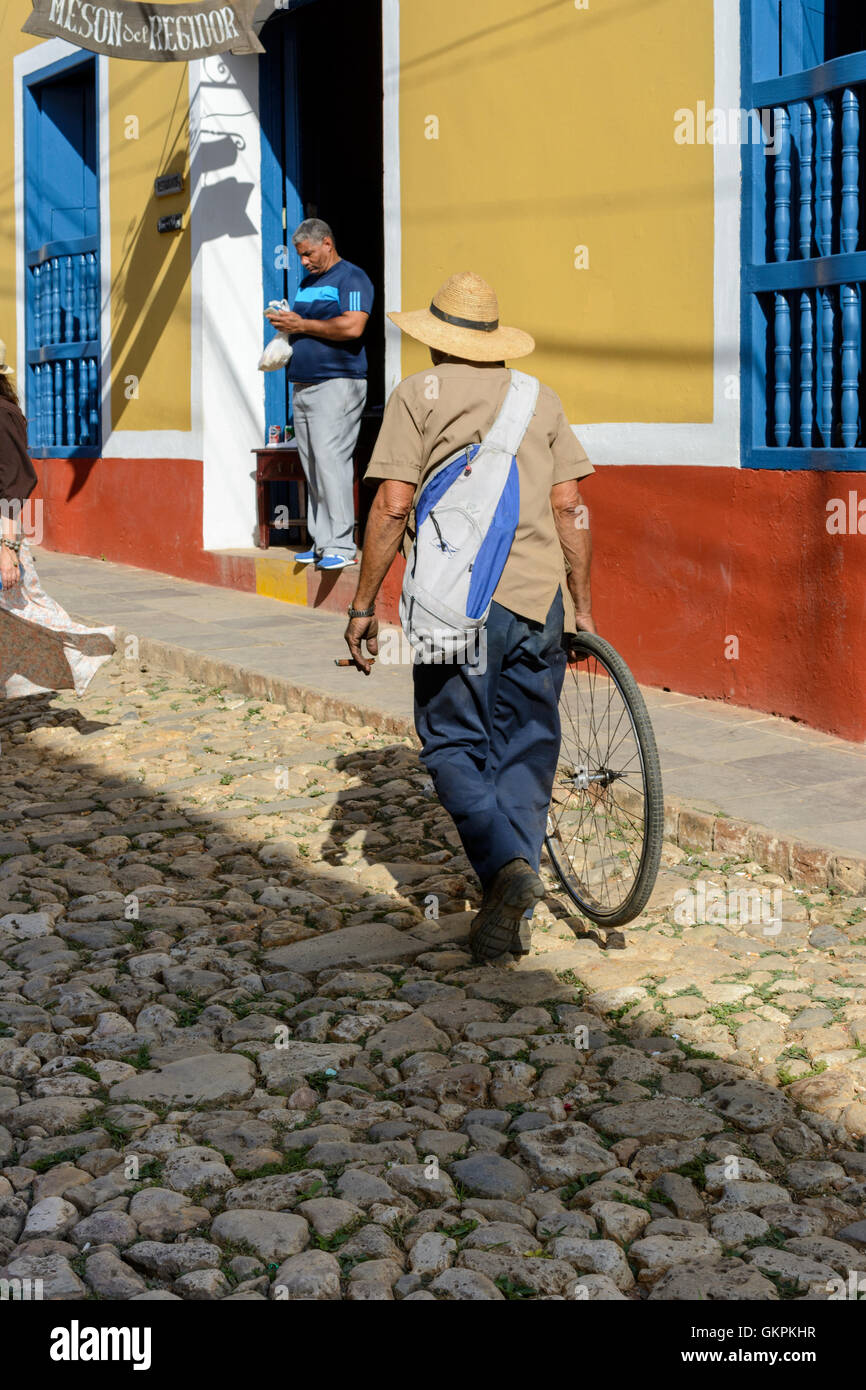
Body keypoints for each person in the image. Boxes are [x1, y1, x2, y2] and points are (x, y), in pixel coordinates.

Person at [343, 272, 596, 962]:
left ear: (435, 343)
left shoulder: (415, 395)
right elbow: (572, 508)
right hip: (537, 601)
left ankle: (508, 874)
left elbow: (393, 504)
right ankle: (509, 895)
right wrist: (580, 603)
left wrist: (363, 603)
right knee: (528, 744)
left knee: (453, 741)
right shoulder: (539, 398)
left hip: (456, 606)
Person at [0, 339, 115, 713]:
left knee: (30, 611)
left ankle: (86, 651)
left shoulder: (3, 416)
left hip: (2, 535)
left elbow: (13, 487)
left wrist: (8, 548)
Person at [265, 218, 373, 571]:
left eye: (309, 254)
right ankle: (323, 542)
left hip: (337, 383)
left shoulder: (352, 277)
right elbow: (304, 324)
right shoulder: (307, 283)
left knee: (331, 462)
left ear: (327, 243)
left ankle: (343, 544)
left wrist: (301, 324)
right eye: (300, 256)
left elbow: (354, 325)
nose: (305, 262)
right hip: (304, 385)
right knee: (312, 464)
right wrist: (285, 322)